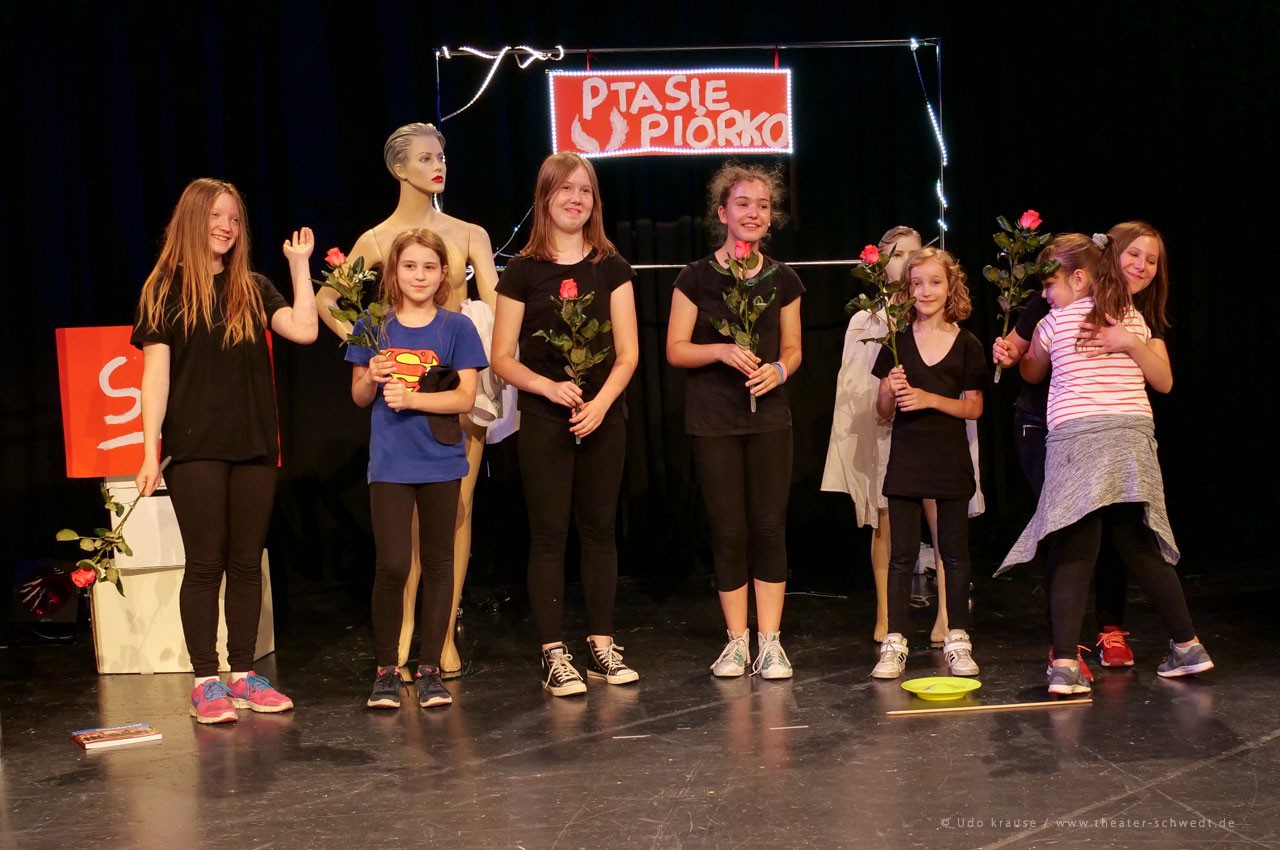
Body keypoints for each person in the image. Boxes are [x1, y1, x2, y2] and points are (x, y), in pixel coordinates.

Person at [316, 122, 499, 677]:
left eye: (441, 156)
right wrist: (366, 344)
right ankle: (400, 631)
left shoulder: (469, 232)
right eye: (425, 158)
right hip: (402, 384)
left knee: (456, 511)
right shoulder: (377, 240)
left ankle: (441, 636)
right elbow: (330, 298)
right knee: (406, 527)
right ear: (399, 168)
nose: (438, 166)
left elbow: (497, 303)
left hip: (457, 374)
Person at [133, 178, 318, 723]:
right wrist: (149, 451)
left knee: (246, 561)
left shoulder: (252, 287)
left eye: (234, 218)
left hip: (254, 444)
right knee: (206, 562)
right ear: (194, 219)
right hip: (195, 449)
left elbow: (304, 330)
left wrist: (300, 266)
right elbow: (155, 377)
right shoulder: (164, 290)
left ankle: (243, 673)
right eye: (217, 216)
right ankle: (205, 681)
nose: (226, 227)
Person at [999, 233, 1210, 694]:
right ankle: (1188, 645)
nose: (1046, 295)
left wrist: (1021, 352)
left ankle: (1064, 665)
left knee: (1076, 549)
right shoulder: (1131, 317)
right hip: (1131, 438)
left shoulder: (1054, 320)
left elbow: (1032, 371)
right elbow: (1156, 373)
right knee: (1138, 543)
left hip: (1080, 438)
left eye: (1050, 286)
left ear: (1078, 279)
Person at [491, 152, 640, 697]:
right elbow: (501, 357)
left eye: (585, 190)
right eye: (565, 189)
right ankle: (554, 653)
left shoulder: (611, 266)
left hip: (604, 416)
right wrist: (547, 387)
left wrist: (600, 404)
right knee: (549, 535)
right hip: (544, 418)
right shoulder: (522, 271)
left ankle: (602, 645)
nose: (576, 199)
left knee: (599, 532)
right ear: (546, 197)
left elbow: (628, 353)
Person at [666, 161, 804, 680]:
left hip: (769, 418)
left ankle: (771, 642)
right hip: (714, 420)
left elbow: (793, 348)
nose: (754, 213)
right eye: (743, 204)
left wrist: (778, 370)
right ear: (722, 212)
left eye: (763, 206)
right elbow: (676, 349)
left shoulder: (782, 278)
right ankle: (736, 641)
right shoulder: (695, 276)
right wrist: (721, 350)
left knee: (768, 528)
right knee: (728, 531)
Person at [821, 226, 984, 645]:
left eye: (914, 254)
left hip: (941, 440)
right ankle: (888, 618)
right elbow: (856, 387)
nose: (907, 263)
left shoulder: (958, 337)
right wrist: (887, 396)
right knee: (889, 528)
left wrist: (930, 400)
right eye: (897, 256)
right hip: (890, 437)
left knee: (946, 530)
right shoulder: (872, 322)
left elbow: (969, 400)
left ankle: (948, 616)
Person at [348, 228, 487, 710]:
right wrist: (371, 375)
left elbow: (464, 398)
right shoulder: (373, 326)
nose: (419, 276)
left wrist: (412, 399)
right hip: (390, 462)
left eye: (429, 267)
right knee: (392, 564)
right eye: (410, 266)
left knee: (438, 563)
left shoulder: (457, 328)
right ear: (394, 272)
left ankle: (429, 669)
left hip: (440, 460)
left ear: (444, 273)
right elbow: (358, 396)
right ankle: (387, 669)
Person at [870, 248, 985, 679]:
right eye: (917, 283)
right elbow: (883, 410)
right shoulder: (896, 342)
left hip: (949, 460)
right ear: (907, 290)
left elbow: (974, 408)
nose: (926, 291)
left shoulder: (967, 343)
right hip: (907, 459)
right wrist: (890, 389)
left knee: (952, 553)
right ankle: (895, 641)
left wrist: (930, 399)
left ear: (950, 287)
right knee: (901, 555)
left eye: (935, 282)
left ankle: (957, 637)